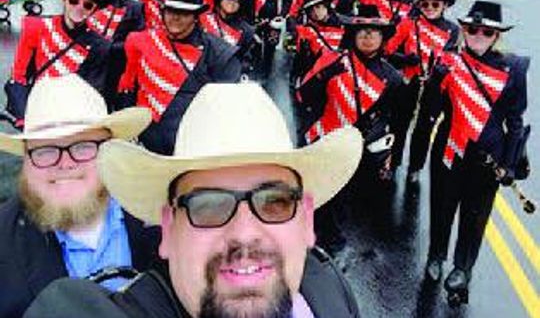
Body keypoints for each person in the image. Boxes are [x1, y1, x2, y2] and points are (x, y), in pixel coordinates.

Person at [24, 82, 364, 318]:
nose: (244, 233)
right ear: (168, 230)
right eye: (207, 206)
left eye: (274, 202)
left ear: (306, 220)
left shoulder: (329, 288)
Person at [0, 74, 159, 318]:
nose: (65, 164)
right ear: (26, 159)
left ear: (108, 150)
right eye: (45, 150)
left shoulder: (161, 216)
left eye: (83, 146)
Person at [418, 1, 528, 306]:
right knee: (441, 207)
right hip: (449, 150)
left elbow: (515, 123)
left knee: (475, 217)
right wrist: (434, 81)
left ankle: (463, 269)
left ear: (496, 36)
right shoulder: (448, 62)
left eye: (487, 31)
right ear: (464, 31)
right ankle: (436, 255)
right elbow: (430, 111)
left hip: (487, 158)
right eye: (472, 29)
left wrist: (508, 164)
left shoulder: (514, 69)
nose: (479, 35)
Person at [296, 5, 403, 252]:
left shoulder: (392, 77)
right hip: (320, 140)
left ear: (383, 37)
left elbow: (394, 119)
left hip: (354, 149)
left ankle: (331, 251)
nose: (367, 36)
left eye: (374, 31)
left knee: (341, 203)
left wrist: (388, 156)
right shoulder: (331, 59)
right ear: (352, 34)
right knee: (312, 198)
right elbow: (303, 96)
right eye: (362, 31)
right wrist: (324, 76)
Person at [116, 0, 242, 155]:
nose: (175, 17)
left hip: (192, 147)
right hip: (144, 146)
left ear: (196, 17)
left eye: (183, 12)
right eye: (170, 10)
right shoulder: (140, 41)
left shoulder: (220, 53)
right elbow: (128, 90)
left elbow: (226, 108)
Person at [5, 0, 111, 128]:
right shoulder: (35, 26)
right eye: (74, 1)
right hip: (38, 108)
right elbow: (18, 77)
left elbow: (93, 89)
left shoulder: (99, 44)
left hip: (74, 114)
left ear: (93, 10)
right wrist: (23, 116)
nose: (79, 7)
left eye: (88, 5)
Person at [385, 0, 460, 182]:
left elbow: (453, 58)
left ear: (445, 6)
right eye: (425, 4)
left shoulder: (453, 30)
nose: (430, 8)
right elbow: (387, 50)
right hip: (409, 83)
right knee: (398, 125)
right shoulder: (409, 24)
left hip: (433, 88)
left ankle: (415, 168)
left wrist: (441, 71)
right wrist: (404, 59)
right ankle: (392, 162)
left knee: (424, 130)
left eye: (435, 4)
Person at [87, 0, 146, 106]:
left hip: (121, 72)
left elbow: (139, 40)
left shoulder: (133, 8)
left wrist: (110, 47)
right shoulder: (86, 6)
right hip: (92, 75)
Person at [199, 0, 258, 77]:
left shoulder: (246, 30)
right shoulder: (203, 19)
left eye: (236, 1)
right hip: (201, 73)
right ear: (220, 0)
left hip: (227, 77)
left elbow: (245, 58)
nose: (232, 3)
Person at [292, 0, 345, 87]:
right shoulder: (303, 31)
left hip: (344, 78)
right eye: (311, 9)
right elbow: (298, 66)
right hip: (317, 80)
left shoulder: (345, 27)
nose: (316, 12)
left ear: (326, 7)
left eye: (319, 7)